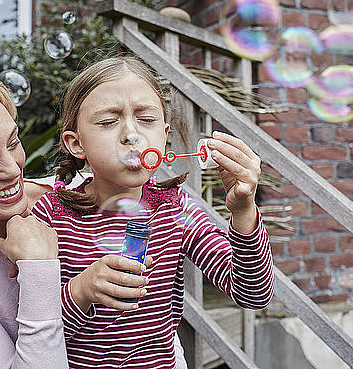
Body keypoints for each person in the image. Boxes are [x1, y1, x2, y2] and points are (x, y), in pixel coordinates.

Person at [0, 61, 186, 369]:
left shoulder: (82, 193)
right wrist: (40, 268)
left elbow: (155, 327)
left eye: (13, 142)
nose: (13, 170)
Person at [31, 56, 275, 368]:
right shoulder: (51, 216)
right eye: (108, 122)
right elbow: (35, 332)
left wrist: (243, 211)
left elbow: (252, 295)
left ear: (164, 135)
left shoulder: (175, 208)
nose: (131, 135)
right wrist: (82, 289)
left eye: (146, 120)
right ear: (75, 143)